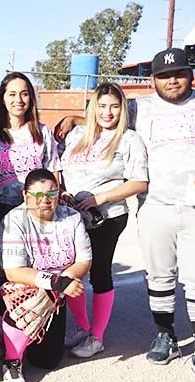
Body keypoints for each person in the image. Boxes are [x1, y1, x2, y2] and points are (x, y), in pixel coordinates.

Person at [55, 48, 195, 382]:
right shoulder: (138, 107)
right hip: (154, 205)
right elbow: (106, 110)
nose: (172, 80)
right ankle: (166, 336)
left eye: (179, 73)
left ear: (191, 74)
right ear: (153, 79)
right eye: (164, 75)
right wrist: (76, 118)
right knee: (159, 276)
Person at [59, 83, 148, 358]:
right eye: (102, 105)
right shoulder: (77, 135)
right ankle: (83, 327)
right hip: (72, 216)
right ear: (92, 107)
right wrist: (61, 192)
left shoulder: (129, 139)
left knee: (98, 272)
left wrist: (101, 198)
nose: (107, 112)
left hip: (105, 218)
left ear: (122, 109)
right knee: (70, 270)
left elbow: (139, 182)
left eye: (114, 106)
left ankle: (96, 337)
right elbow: (62, 169)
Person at [0, 71, 61, 360]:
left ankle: (25, 322)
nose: (18, 99)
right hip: (0, 209)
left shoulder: (42, 132)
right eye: (12, 93)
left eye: (24, 93)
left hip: (34, 214)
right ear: (2, 97)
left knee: (30, 270)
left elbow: (54, 173)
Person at [0, 168, 91, 382]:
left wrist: (61, 283)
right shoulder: (14, 220)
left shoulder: (72, 217)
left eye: (51, 194)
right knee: (27, 294)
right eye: (37, 195)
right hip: (15, 287)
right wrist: (56, 283)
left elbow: (84, 261)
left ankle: (29, 333)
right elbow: (14, 271)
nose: (44, 200)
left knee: (47, 360)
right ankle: (11, 359)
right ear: (25, 196)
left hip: (55, 291)